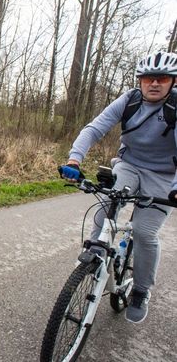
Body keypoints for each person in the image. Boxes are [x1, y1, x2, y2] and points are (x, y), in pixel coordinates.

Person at [60, 51, 177, 324]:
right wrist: (74, 160)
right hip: (129, 165)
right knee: (105, 208)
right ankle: (96, 251)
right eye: (148, 78)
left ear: (173, 82)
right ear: (140, 80)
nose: (154, 83)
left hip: (164, 175)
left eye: (162, 79)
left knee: (144, 232)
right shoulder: (129, 100)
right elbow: (93, 129)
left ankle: (140, 291)